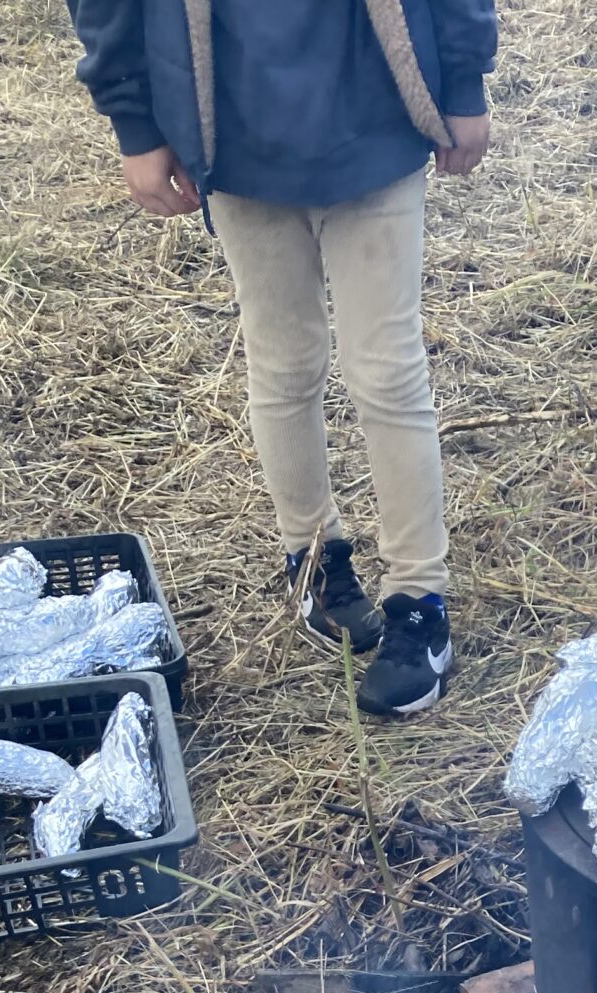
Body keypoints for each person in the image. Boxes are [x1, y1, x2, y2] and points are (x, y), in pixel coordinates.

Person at [65, 0, 496, 718]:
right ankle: (314, 563)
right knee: (284, 362)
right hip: (235, 137)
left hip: (377, 124)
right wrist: (134, 122)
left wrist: (464, 80)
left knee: (387, 371)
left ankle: (418, 602)